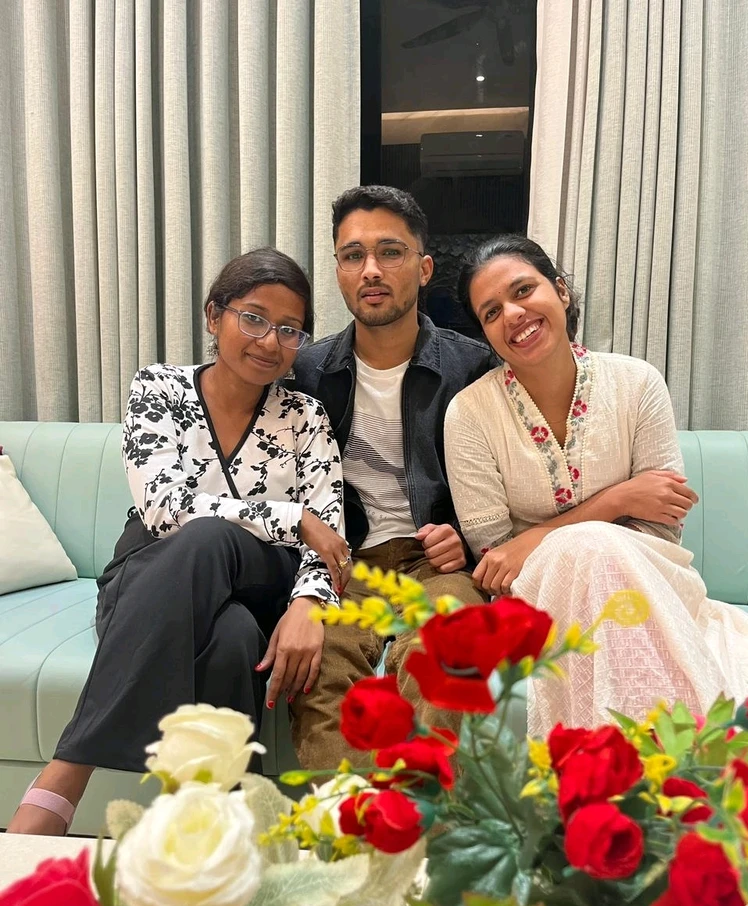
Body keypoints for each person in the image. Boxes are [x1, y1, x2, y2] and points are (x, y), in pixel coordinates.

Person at [8, 247, 349, 835]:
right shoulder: (159, 387)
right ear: (214, 315)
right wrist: (291, 517)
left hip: (260, 577)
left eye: (289, 329)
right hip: (152, 572)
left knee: (214, 538)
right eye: (254, 318)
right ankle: (213, 830)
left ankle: (69, 770)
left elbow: (331, 536)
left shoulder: (305, 416)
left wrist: (309, 602)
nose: (270, 341)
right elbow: (164, 509)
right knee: (233, 637)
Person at [444, 234, 748, 737]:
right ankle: (675, 757)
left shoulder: (637, 382)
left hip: (650, 576)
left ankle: (617, 762)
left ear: (561, 291)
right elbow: (497, 557)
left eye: (524, 290)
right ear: (485, 333)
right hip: (536, 596)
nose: (513, 314)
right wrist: (619, 499)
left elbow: (663, 521)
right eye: (492, 312)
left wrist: (541, 535)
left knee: (594, 549)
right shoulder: (469, 414)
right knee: (587, 547)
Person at [287, 185, 496, 769]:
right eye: (353, 255)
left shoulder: (471, 366)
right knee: (317, 670)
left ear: (424, 268)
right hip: (343, 562)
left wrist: (465, 535)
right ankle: (347, 819)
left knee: (448, 648)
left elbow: (507, 477)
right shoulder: (306, 370)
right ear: (338, 271)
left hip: (436, 563)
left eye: (390, 252)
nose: (371, 270)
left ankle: (421, 808)